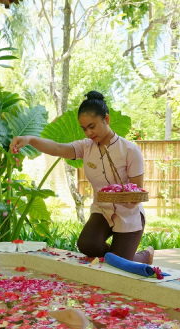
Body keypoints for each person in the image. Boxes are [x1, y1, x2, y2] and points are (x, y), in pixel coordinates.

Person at [9, 91, 154, 264]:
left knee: (120, 264)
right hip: (102, 211)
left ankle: (144, 256)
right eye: (84, 129)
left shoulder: (130, 150)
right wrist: (30, 139)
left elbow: (137, 191)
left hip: (128, 214)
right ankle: (117, 257)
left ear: (106, 119)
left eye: (92, 126)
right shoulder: (86, 147)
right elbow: (57, 148)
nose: (88, 133)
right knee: (87, 245)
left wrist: (130, 202)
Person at [0, 252, 92, 329]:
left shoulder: (12, 281)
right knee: (74, 315)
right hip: (15, 323)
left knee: (75, 315)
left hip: (32, 317)